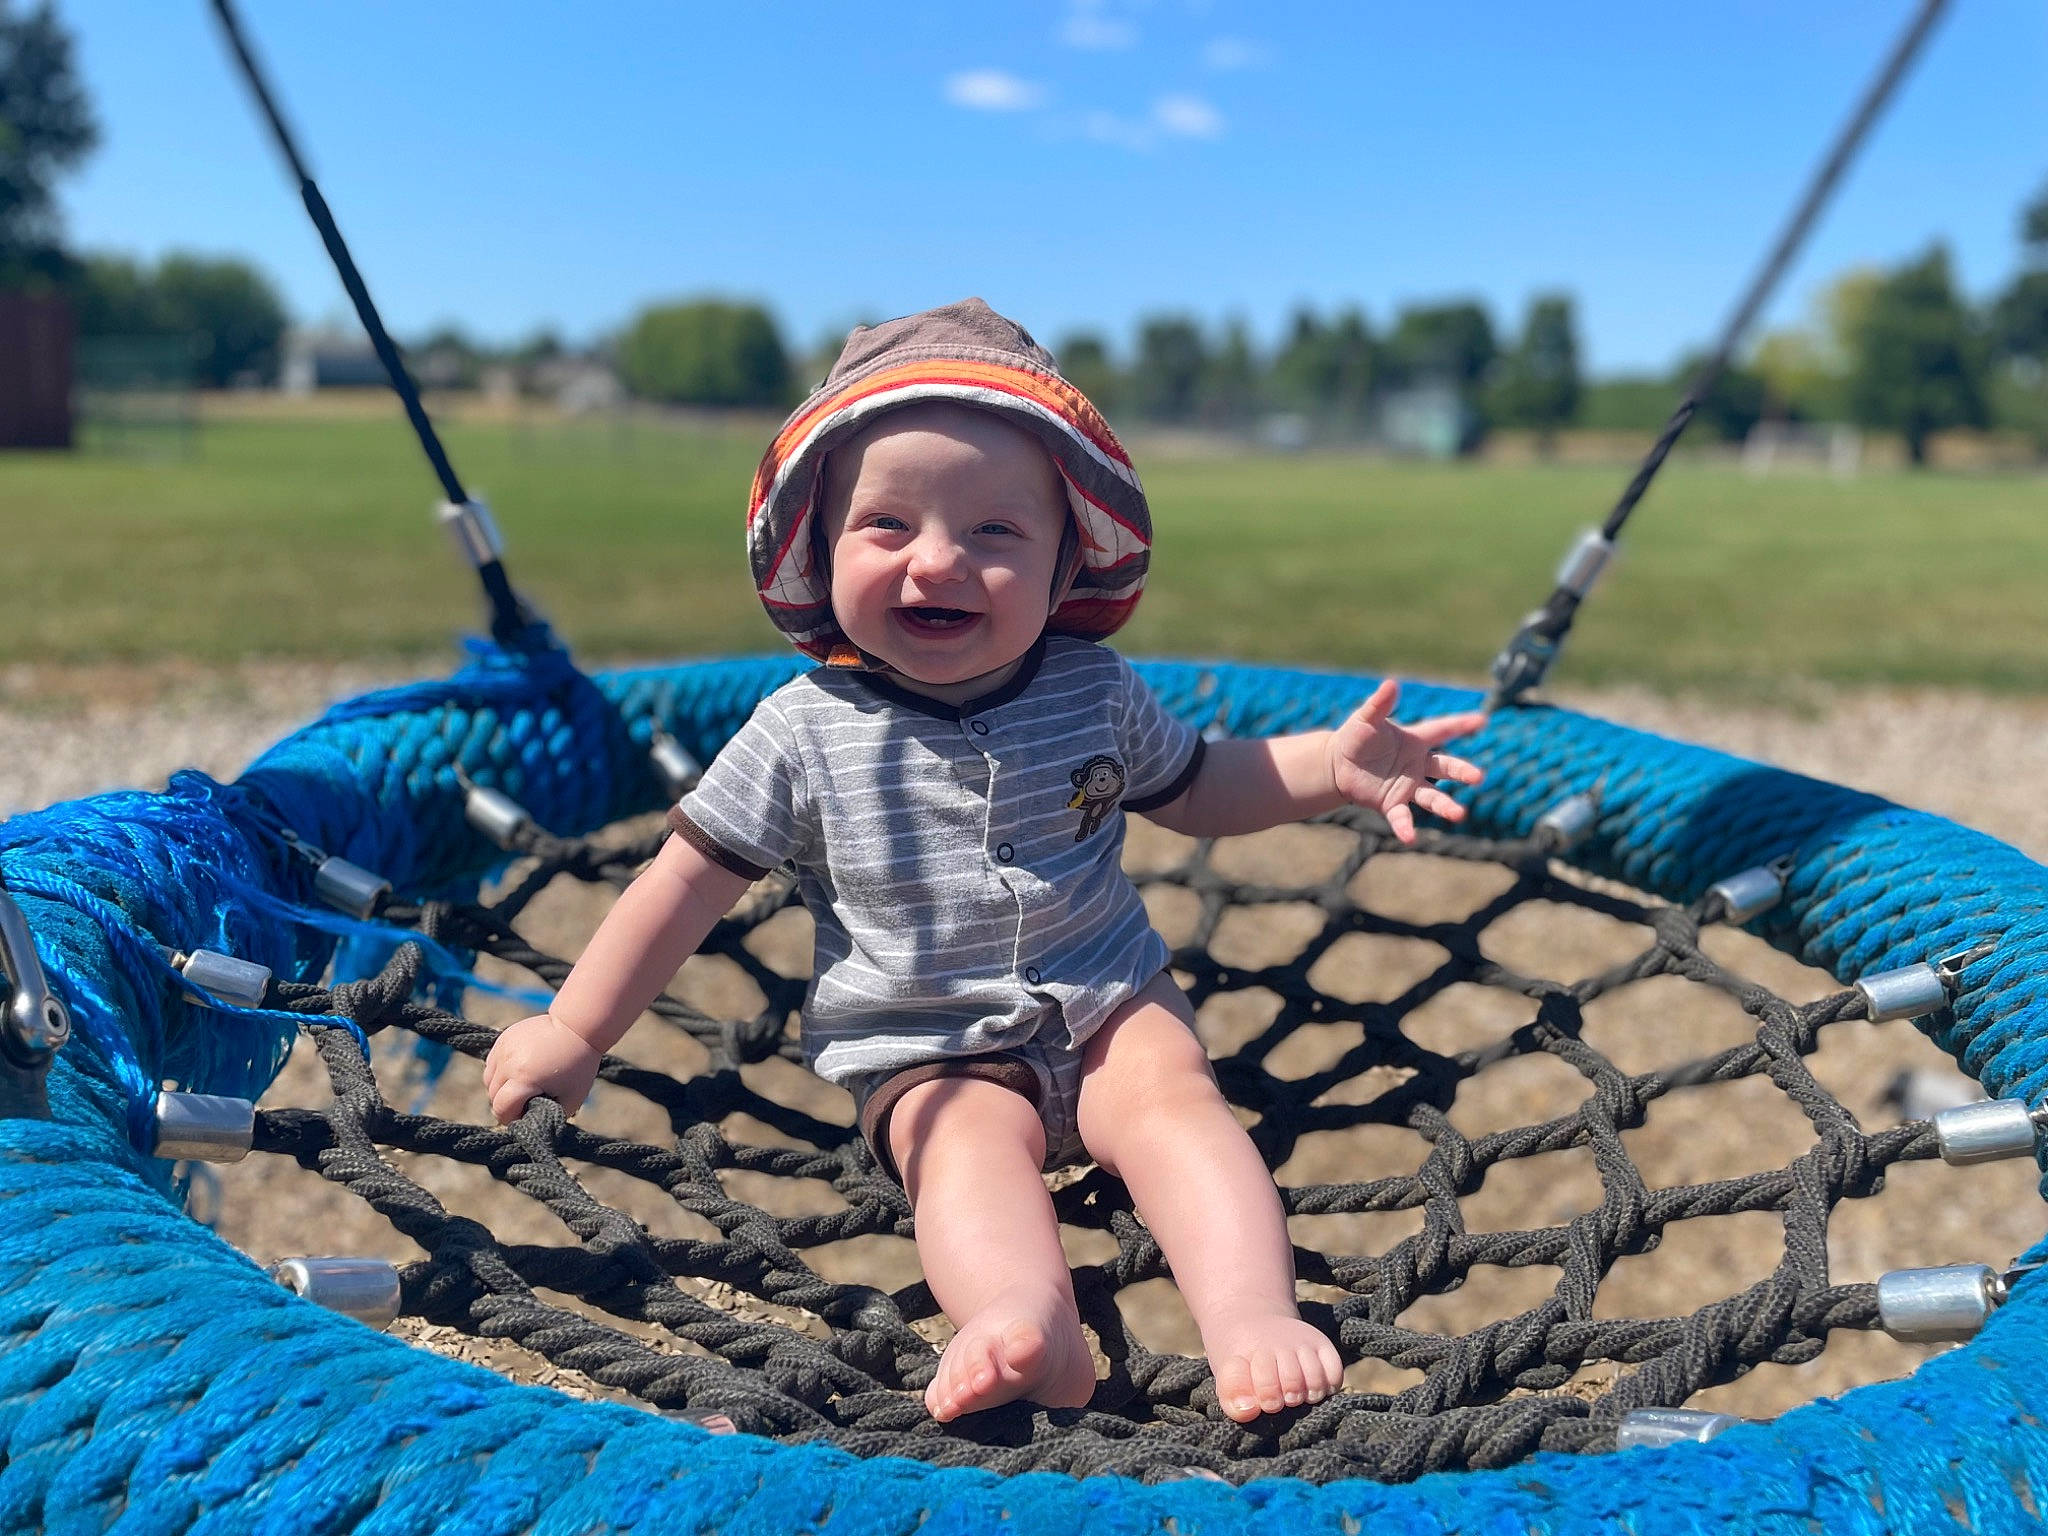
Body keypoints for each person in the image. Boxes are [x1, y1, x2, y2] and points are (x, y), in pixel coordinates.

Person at [483, 299, 1486, 1425]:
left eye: (996, 534)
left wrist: (1323, 766)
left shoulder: (1093, 691)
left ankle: (1249, 1314)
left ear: (1067, 568)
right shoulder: (800, 732)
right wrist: (574, 1031)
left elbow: (1202, 788)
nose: (937, 562)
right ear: (816, 551)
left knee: (1176, 1104)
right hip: (924, 1045)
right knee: (962, 1154)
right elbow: (681, 885)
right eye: (886, 526)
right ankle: (1023, 1317)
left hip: (1108, 1000)